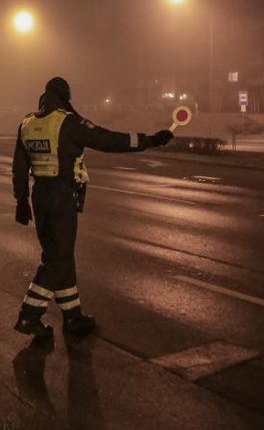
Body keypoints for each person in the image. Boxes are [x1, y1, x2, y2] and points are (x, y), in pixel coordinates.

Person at [12, 77, 173, 338]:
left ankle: (73, 316)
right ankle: (29, 316)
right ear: (65, 96)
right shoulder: (69, 121)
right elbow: (109, 140)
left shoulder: (28, 123)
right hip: (62, 197)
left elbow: (19, 166)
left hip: (39, 196)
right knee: (57, 259)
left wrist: (20, 200)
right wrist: (151, 140)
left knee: (60, 255)